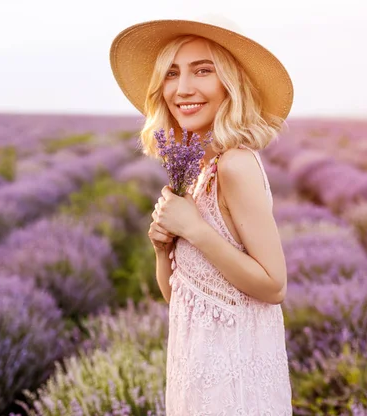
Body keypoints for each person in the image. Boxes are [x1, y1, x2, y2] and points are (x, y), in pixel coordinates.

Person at [110, 16, 294, 415]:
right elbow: (182, 297)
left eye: (203, 70)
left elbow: (274, 285)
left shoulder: (236, 166)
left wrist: (194, 228)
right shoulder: (197, 174)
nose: (183, 88)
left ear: (230, 83)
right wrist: (163, 248)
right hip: (194, 374)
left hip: (235, 385)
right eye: (172, 73)